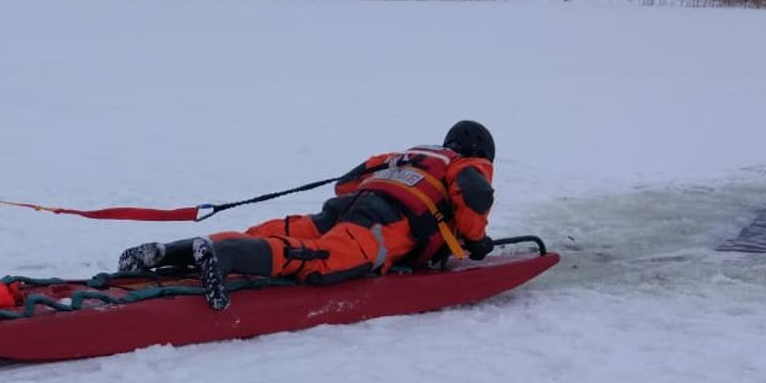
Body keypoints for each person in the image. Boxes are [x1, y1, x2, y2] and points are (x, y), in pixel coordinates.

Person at [119, 120, 498, 310]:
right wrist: (476, 241)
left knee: (282, 234)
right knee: (322, 258)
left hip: (349, 207)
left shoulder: (411, 154)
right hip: (386, 222)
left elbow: (345, 185)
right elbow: (475, 193)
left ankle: (169, 252)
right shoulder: (466, 164)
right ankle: (224, 255)